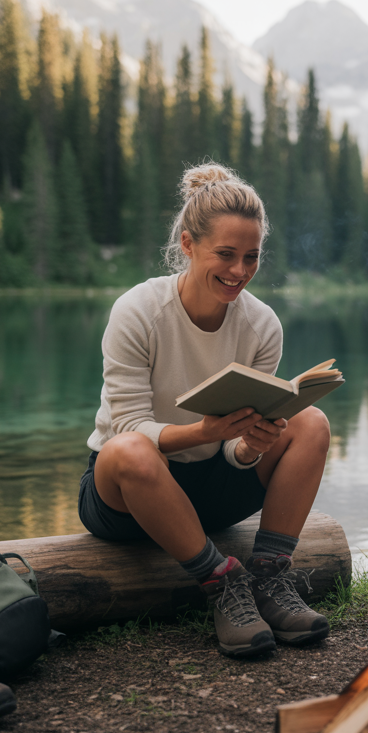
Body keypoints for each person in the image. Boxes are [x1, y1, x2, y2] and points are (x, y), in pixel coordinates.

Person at [78, 162, 332, 658]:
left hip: (214, 484)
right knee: (129, 449)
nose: (240, 271)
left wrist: (249, 446)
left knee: (311, 423)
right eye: (226, 254)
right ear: (189, 244)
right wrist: (202, 431)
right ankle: (221, 582)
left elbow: (237, 453)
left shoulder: (261, 325)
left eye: (252, 257)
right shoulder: (138, 311)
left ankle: (267, 578)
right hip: (127, 496)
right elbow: (125, 428)